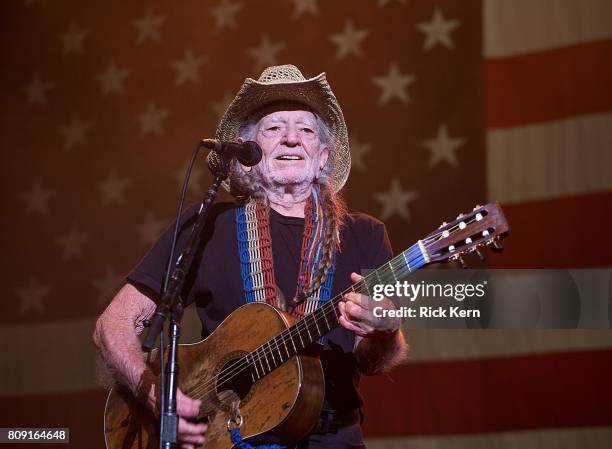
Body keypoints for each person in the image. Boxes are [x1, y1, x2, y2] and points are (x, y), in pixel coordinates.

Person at [93, 64, 408, 449]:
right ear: (248, 153)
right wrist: (156, 396)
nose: (291, 140)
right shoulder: (208, 225)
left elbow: (372, 361)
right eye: (273, 129)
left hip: (331, 438)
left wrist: (386, 331)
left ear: (323, 157)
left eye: (305, 130)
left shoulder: (364, 235)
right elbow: (113, 325)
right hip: (221, 438)